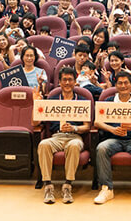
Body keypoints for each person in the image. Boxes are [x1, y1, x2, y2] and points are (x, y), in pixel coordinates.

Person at [92, 70, 131, 205]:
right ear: (115, 85)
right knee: (101, 148)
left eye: (126, 83)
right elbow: (97, 122)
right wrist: (112, 129)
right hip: (113, 139)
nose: (123, 86)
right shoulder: (108, 101)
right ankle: (106, 188)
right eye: (120, 83)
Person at [35, 66, 90, 204]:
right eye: (64, 80)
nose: (67, 83)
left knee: (74, 145)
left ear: (75, 81)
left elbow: (87, 126)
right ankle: (48, 185)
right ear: (59, 82)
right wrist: (36, 103)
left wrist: (75, 128)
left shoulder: (82, 100)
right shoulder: (52, 99)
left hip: (74, 136)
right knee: (43, 144)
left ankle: (67, 185)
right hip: (56, 136)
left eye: (70, 80)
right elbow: (35, 122)